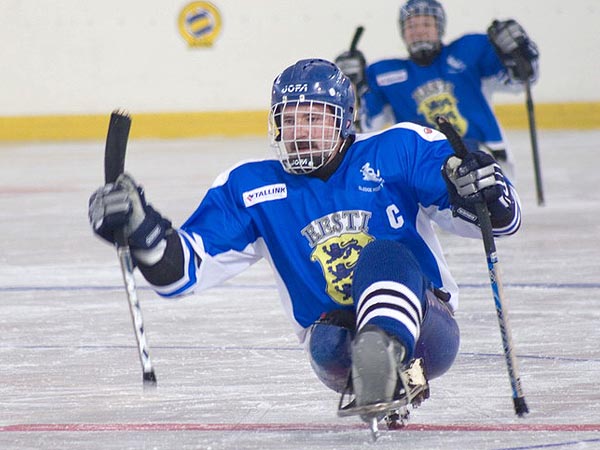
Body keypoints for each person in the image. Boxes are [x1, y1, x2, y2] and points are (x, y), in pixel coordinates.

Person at [88, 58, 521, 432]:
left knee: (383, 253)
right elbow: (181, 272)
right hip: (334, 346)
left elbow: (491, 219)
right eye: (290, 118)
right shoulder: (250, 185)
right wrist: (143, 231)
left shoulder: (398, 148)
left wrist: (482, 189)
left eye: (315, 118)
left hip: (427, 330)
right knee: (335, 323)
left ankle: (383, 346)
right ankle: (371, 359)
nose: (300, 131)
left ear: (345, 121)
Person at [335, 0, 539, 180]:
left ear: (440, 27)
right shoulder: (384, 74)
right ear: (403, 32)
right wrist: (354, 88)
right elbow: (367, 126)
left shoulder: (468, 52)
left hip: (484, 158)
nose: (419, 30)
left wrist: (519, 53)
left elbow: (521, 80)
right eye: (411, 25)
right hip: (423, 165)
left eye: (426, 23)